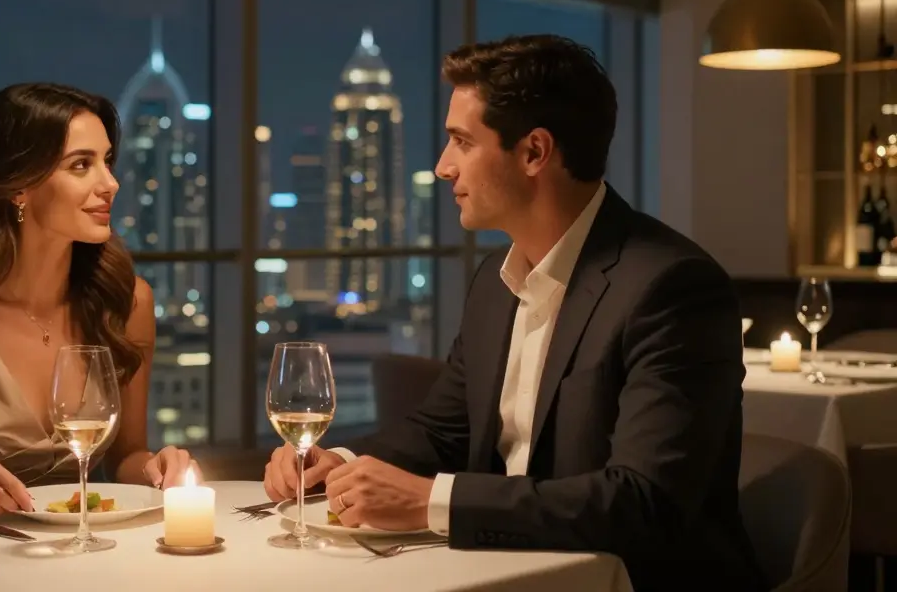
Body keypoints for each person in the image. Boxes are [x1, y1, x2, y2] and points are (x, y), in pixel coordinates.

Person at [263, 35, 765, 591]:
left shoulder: (671, 287)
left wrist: (433, 500)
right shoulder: (494, 281)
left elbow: (642, 502)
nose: (442, 167)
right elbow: (442, 431)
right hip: (508, 571)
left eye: (461, 142)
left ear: (534, 152)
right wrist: (337, 459)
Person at [0, 82, 195, 519]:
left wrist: (157, 469)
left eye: (107, 161)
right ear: (18, 186)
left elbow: (126, 458)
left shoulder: (128, 302)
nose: (111, 183)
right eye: (81, 165)